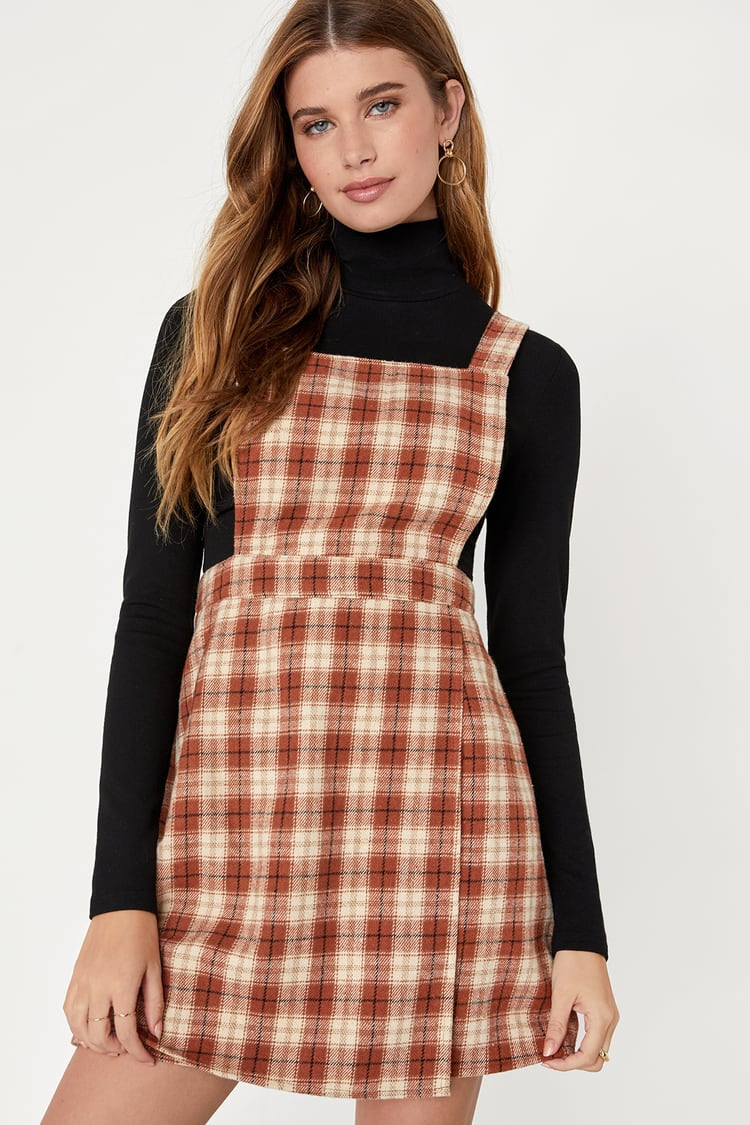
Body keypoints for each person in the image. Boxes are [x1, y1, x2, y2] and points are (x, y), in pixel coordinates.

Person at [42, 1, 619, 1122]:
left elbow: (532, 665)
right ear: (291, 146)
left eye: (382, 105)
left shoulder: (527, 375)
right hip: (225, 839)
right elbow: (152, 620)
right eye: (317, 123)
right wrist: (120, 901)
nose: (353, 148)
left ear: (447, 110)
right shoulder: (213, 333)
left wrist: (581, 937)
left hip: (439, 848)